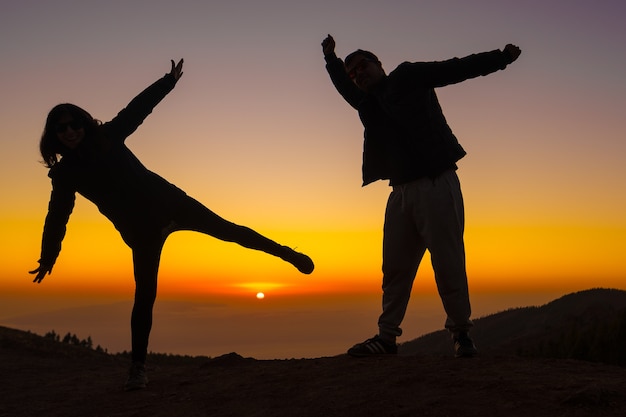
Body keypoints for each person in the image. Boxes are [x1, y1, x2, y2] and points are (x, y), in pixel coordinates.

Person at [29, 59, 314, 390]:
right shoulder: (64, 175)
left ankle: (286, 254)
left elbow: (136, 111)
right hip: (140, 231)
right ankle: (138, 368)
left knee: (230, 231)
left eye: (74, 123)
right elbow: (57, 217)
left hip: (171, 202)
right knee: (145, 294)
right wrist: (49, 255)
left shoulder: (107, 136)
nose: (69, 131)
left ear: (83, 123)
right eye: (61, 128)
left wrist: (167, 82)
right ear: (54, 136)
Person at [321, 35, 521, 358]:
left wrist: (501, 58)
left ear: (379, 64)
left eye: (363, 66)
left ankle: (461, 334)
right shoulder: (366, 103)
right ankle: (386, 338)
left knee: (448, 262)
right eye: (354, 73)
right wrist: (331, 58)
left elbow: (454, 69)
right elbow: (343, 87)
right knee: (395, 269)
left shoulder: (407, 76)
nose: (359, 74)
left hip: (436, 182)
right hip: (399, 193)